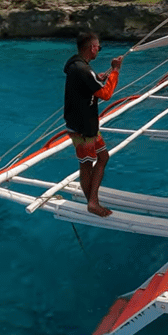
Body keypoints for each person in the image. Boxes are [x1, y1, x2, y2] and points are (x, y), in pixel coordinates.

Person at [63, 32, 123, 217]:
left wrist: (96, 79)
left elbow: (86, 83)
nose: (99, 49)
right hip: (83, 128)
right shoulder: (84, 70)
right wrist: (115, 71)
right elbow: (105, 94)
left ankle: (92, 200)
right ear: (92, 48)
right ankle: (93, 203)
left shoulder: (75, 65)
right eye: (99, 47)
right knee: (87, 164)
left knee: (102, 157)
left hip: (81, 124)